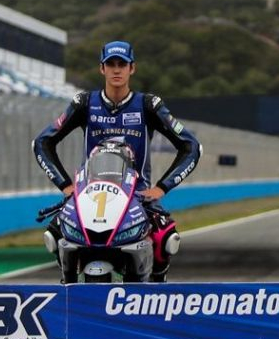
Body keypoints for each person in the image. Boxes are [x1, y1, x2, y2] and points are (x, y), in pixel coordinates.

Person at [33, 40, 202, 282]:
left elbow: (191, 146)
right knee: (55, 235)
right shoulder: (84, 103)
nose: (116, 69)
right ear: (101, 69)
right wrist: (66, 186)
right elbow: (42, 142)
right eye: (110, 64)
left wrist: (161, 188)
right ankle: (68, 291)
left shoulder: (148, 105)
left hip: (137, 196)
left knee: (165, 239)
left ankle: (156, 293)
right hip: (89, 195)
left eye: (122, 64)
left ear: (132, 68)